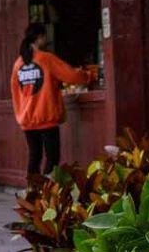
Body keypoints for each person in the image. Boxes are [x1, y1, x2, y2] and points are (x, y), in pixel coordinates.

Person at [10, 24, 99, 178]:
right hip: (46, 117)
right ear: (39, 38)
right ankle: (47, 192)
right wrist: (90, 76)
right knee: (52, 158)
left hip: (27, 120)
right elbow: (71, 76)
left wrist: (21, 115)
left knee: (34, 156)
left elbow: (15, 93)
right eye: (44, 36)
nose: (46, 39)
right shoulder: (46, 59)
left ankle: (33, 193)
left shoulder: (18, 64)